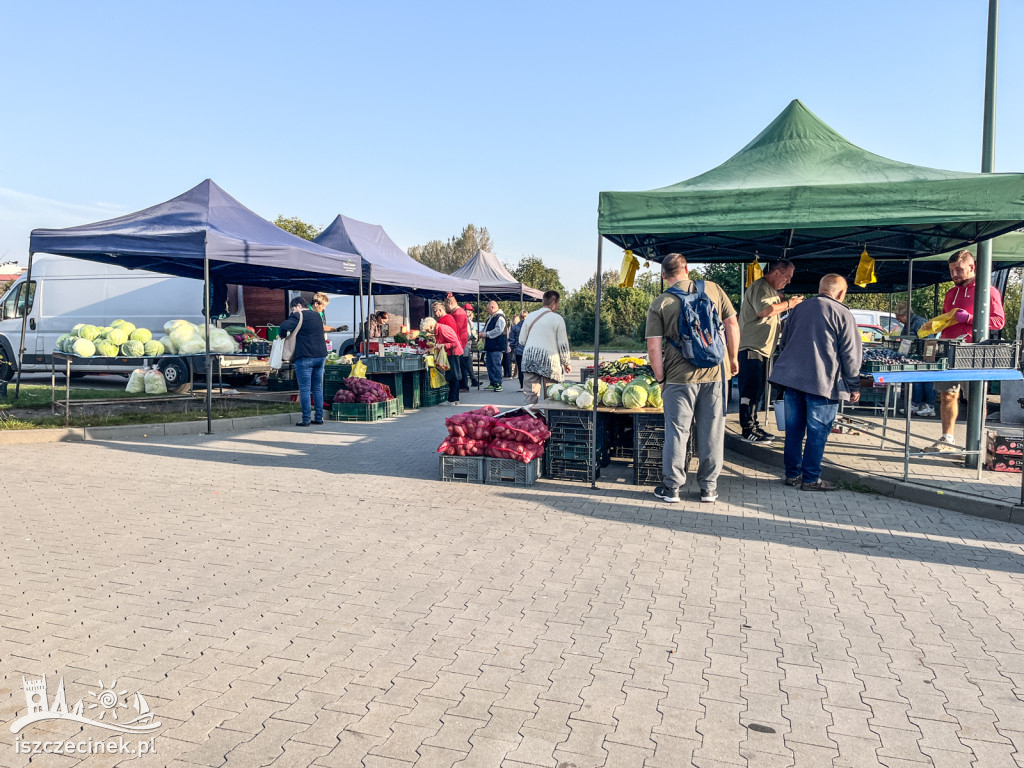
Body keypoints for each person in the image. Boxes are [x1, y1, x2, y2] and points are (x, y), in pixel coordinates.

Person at [646, 254, 739, 504]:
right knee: (712, 431)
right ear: (687, 269)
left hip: (679, 378)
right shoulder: (713, 289)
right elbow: (732, 324)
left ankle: (672, 488)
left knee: (677, 432)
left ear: (663, 275)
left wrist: (661, 379)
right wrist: (732, 359)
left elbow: (654, 347)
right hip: (716, 374)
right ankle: (709, 488)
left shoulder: (661, 302)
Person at [769, 274, 862, 491]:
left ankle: (792, 475)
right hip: (824, 383)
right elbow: (851, 355)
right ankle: (810, 478)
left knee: (793, 431)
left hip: (792, 380)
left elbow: (784, 342)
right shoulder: (843, 314)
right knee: (817, 432)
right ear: (841, 292)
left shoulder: (798, 309)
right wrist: (854, 385)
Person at [925, 250, 1005, 453]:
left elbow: (998, 322)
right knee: (947, 395)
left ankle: (977, 441)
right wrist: (935, 326)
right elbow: (947, 319)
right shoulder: (951, 292)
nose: (955, 274)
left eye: (959, 270)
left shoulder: (988, 290)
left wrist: (969, 318)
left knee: (975, 397)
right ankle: (947, 438)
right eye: (952, 270)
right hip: (948, 349)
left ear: (972, 267)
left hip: (973, 351)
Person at [737, 259, 801, 443]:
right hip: (752, 348)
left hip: (763, 349)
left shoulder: (771, 291)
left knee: (757, 391)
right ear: (777, 272)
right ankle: (747, 428)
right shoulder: (761, 286)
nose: (788, 281)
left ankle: (754, 425)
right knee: (749, 390)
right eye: (787, 277)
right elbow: (764, 311)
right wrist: (789, 304)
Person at [279, 297, 328, 427]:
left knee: (305, 389)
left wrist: (282, 335)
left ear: (299, 306)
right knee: (317, 388)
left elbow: (283, 326)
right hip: (321, 355)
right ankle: (319, 417)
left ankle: (306, 419)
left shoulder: (298, 316)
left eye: (293, 309)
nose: (293, 312)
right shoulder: (317, 316)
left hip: (305, 356)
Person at [520, 291, 571, 404]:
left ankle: (531, 418)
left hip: (529, 359)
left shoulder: (530, 316)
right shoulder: (557, 319)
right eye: (557, 304)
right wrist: (566, 362)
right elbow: (563, 345)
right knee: (552, 394)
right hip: (549, 362)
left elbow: (522, 340)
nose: (558, 307)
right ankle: (549, 419)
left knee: (530, 395)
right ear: (553, 303)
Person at [895, 301, 935, 418]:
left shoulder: (920, 323)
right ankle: (915, 404)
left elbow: (929, 341)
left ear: (905, 314)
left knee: (926, 382)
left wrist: (927, 357)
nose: (899, 321)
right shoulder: (908, 325)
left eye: (899, 318)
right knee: (916, 381)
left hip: (923, 357)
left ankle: (929, 406)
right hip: (914, 358)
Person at [420, 316, 463, 405]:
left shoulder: (442, 329)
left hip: (453, 353)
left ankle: (452, 400)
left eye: (428, 330)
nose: (429, 332)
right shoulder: (438, 330)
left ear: (431, 327)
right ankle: (454, 399)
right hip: (450, 353)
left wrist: (443, 345)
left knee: (453, 376)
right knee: (452, 376)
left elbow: (454, 343)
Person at [432, 301, 462, 395]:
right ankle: (454, 397)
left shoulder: (443, 321)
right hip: (453, 349)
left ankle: (453, 397)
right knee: (454, 374)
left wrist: (443, 345)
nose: (435, 314)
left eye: (434, 312)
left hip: (451, 350)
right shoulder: (450, 318)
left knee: (452, 374)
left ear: (439, 310)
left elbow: (450, 338)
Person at [444, 295, 472, 391]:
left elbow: (456, 329)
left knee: (460, 364)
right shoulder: (457, 312)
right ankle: (462, 385)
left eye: (445, 305)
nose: (445, 307)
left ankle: (463, 385)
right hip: (460, 342)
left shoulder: (459, 312)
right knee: (460, 364)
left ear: (449, 303)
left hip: (460, 343)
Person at [482, 300, 508, 391]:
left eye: (488, 308)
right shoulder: (492, 317)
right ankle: (492, 382)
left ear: (492, 307)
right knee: (490, 364)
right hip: (491, 345)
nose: (487, 310)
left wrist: (486, 334)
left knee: (496, 364)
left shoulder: (500, 317)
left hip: (496, 345)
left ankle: (498, 383)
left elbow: (498, 330)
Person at [508, 310, 528, 389]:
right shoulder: (530, 327)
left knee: (520, 369)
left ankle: (522, 386)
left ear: (519, 317)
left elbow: (511, 339)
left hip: (519, 350)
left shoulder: (515, 327)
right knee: (528, 369)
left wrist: (514, 347)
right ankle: (528, 385)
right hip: (528, 351)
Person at [463, 303, 480, 387]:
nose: (469, 312)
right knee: (467, 363)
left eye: (470, 311)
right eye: (467, 310)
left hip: (468, 343)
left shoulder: (469, 320)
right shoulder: (465, 319)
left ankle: (473, 380)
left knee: (468, 362)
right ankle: (473, 380)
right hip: (466, 343)